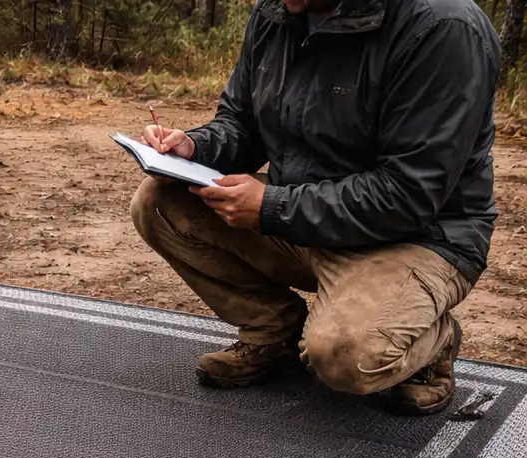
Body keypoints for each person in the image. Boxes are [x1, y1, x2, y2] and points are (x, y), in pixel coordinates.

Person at [130, 0, 500, 415]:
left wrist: (271, 207)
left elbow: (410, 193)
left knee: (345, 357)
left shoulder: (443, 28)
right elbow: (243, 123)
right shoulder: (278, 12)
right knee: (160, 201)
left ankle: (432, 345)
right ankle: (273, 331)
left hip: (418, 237)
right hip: (306, 211)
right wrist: (194, 148)